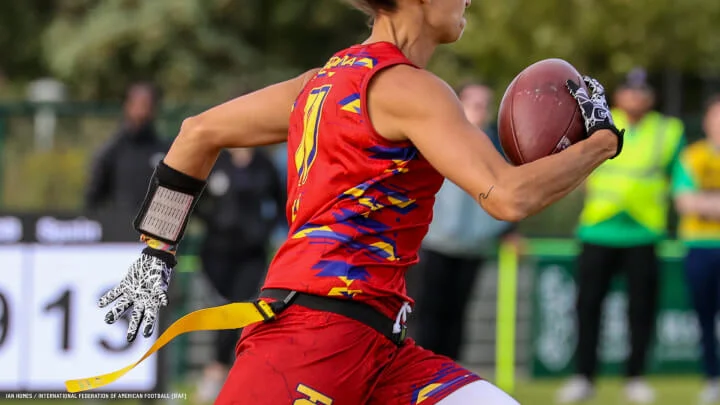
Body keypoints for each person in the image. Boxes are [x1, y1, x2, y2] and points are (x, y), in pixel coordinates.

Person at [98, 0, 623, 403]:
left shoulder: (322, 81)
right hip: (315, 343)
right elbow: (509, 196)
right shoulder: (413, 89)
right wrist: (603, 142)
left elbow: (197, 132)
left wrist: (156, 253)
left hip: (377, 348)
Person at [556, 69, 686, 404]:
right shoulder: (597, 120)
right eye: (630, 90)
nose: (636, 97)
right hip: (599, 228)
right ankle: (584, 376)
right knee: (587, 307)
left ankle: (636, 376)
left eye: (643, 91)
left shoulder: (668, 130)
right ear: (620, 95)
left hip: (644, 231)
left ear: (651, 96)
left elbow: (678, 176)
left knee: (641, 309)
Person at [410, 82, 522, 361]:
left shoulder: (497, 145)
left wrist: (508, 230)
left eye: (485, 104)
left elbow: (507, 189)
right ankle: (424, 371)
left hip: (473, 245)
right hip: (435, 242)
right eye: (474, 103)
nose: (481, 110)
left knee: (458, 313)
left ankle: (450, 374)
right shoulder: (437, 137)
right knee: (428, 312)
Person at [193, 147, 284, 402]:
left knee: (238, 306)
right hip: (216, 252)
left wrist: (264, 231)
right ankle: (226, 371)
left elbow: (281, 202)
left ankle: (218, 370)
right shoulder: (216, 161)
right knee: (225, 307)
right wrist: (213, 220)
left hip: (251, 254)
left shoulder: (264, 164)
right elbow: (196, 200)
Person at [672, 95, 720, 404]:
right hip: (698, 247)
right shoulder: (691, 157)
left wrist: (706, 204)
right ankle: (712, 378)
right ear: (706, 122)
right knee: (705, 317)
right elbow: (686, 203)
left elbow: (698, 202)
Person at [84, 82, 169, 213]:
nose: (142, 112)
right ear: (127, 106)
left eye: (147, 105)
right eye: (138, 105)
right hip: (120, 227)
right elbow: (93, 198)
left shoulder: (165, 151)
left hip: (156, 229)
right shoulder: (111, 151)